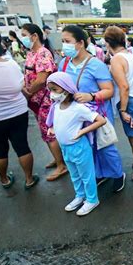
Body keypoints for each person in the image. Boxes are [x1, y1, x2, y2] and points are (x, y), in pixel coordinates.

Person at [59, 25, 126, 192]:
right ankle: (99, 173)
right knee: (87, 147)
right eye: (62, 41)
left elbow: (109, 90)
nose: (64, 45)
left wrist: (91, 95)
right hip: (76, 115)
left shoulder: (96, 64)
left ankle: (118, 174)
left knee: (104, 146)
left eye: (67, 41)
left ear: (80, 43)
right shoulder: (64, 64)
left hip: (98, 114)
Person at [0, 28, 38, 189]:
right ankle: (29, 179)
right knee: (22, 146)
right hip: (17, 112)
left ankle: (4, 180)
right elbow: (20, 85)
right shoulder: (10, 64)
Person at [46, 72, 105, 216]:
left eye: (55, 89)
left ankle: (92, 199)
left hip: (79, 147)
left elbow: (101, 120)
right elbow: (55, 122)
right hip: (65, 148)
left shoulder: (78, 108)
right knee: (75, 175)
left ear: (66, 89)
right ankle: (80, 196)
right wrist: (52, 128)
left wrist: (83, 131)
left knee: (86, 175)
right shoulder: (56, 106)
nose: (52, 94)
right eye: (50, 90)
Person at [21, 23, 68, 182]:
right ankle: (58, 159)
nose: (22, 38)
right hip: (35, 100)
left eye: (24, 34)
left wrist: (28, 92)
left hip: (44, 100)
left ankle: (61, 165)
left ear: (34, 36)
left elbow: (41, 80)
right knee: (46, 131)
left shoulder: (42, 54)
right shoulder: (31, 53)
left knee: (49, 132)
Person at [104, 26, 133, 182]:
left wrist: (123, 110)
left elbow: (124, 86)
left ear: (108, 43)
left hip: (130, 103)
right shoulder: (130, 55)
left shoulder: (116, 59)